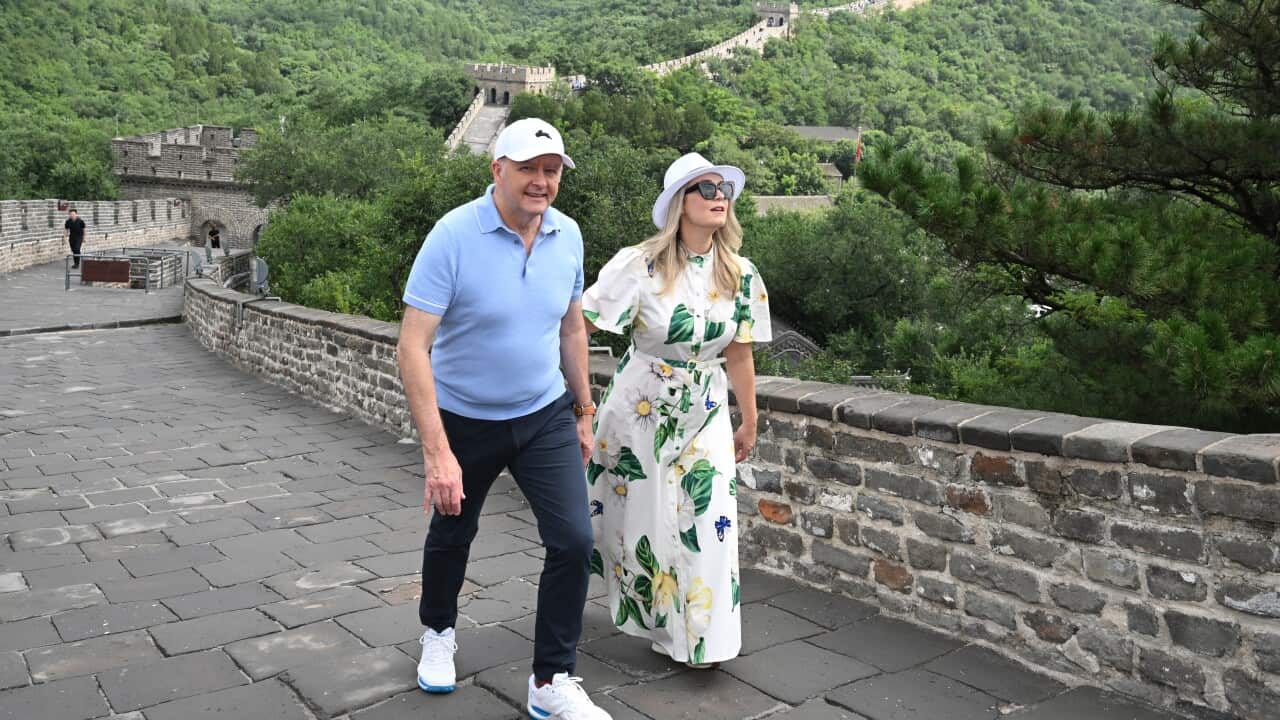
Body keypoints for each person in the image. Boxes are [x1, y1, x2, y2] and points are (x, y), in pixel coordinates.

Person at [397, 117, 612, 720]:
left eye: (551, 171)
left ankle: (551, 680)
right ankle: (438, 632)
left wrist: (583, 408)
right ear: (498, 170)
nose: (540, 182)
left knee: (573, 539)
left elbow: (573, 328)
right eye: (528, 169)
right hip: (464, 418)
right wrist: (437, 451)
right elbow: (412, 345)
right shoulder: (454, 235)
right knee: (452, 533)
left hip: (542, 413)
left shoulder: (567, 235)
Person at [581, 152, 771, 668]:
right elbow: (580, 323)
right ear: (678, 205)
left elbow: (740, 350)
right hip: (639, 407)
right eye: (704, 190)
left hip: (706, 406)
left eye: (722, 191)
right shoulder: (639, 264)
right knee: (640, 518)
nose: (718, 199)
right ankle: (649, 617)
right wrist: (573, 394)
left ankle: (702, 639)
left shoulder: (741, 273)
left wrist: (748, 419)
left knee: (705, 519)